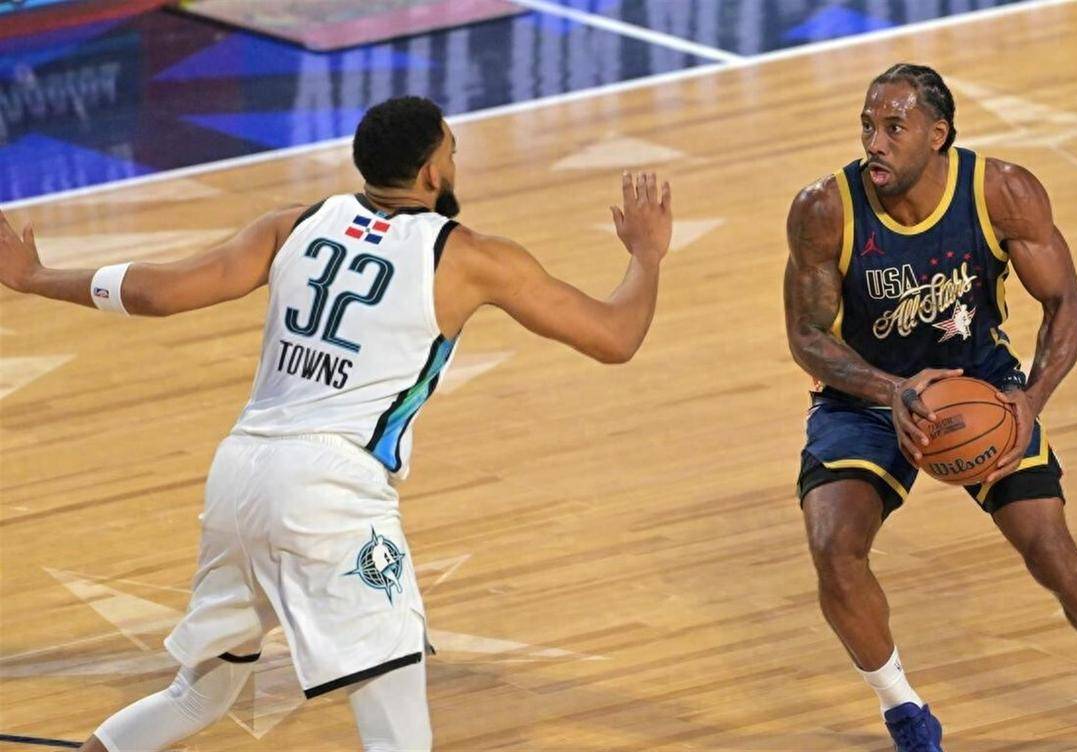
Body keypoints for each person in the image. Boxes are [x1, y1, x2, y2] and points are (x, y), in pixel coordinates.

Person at [0, 96, 673, 751]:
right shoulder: (469, 256)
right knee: (397, 739)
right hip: (330, 494)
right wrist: (646, 256)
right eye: (452, 153)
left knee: (197, 696)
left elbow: (158, 292)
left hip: (240, 476)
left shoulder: (292, 225)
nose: (454, 165)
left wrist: (36, 277)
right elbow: (614, 338)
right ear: (432, 173)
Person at [783, 64, 1077, 752]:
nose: (874, 143)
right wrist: (891, 391)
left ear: (938, 134)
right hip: (867, 398)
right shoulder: (825, 209)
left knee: (1053, 553)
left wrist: (1030, 399)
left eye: (894, 127)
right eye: (868, 125)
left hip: (980, 387)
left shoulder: (1003, 192)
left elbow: (1064, 303)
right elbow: (806, 334)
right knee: (834, 550)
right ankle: (906, 713)